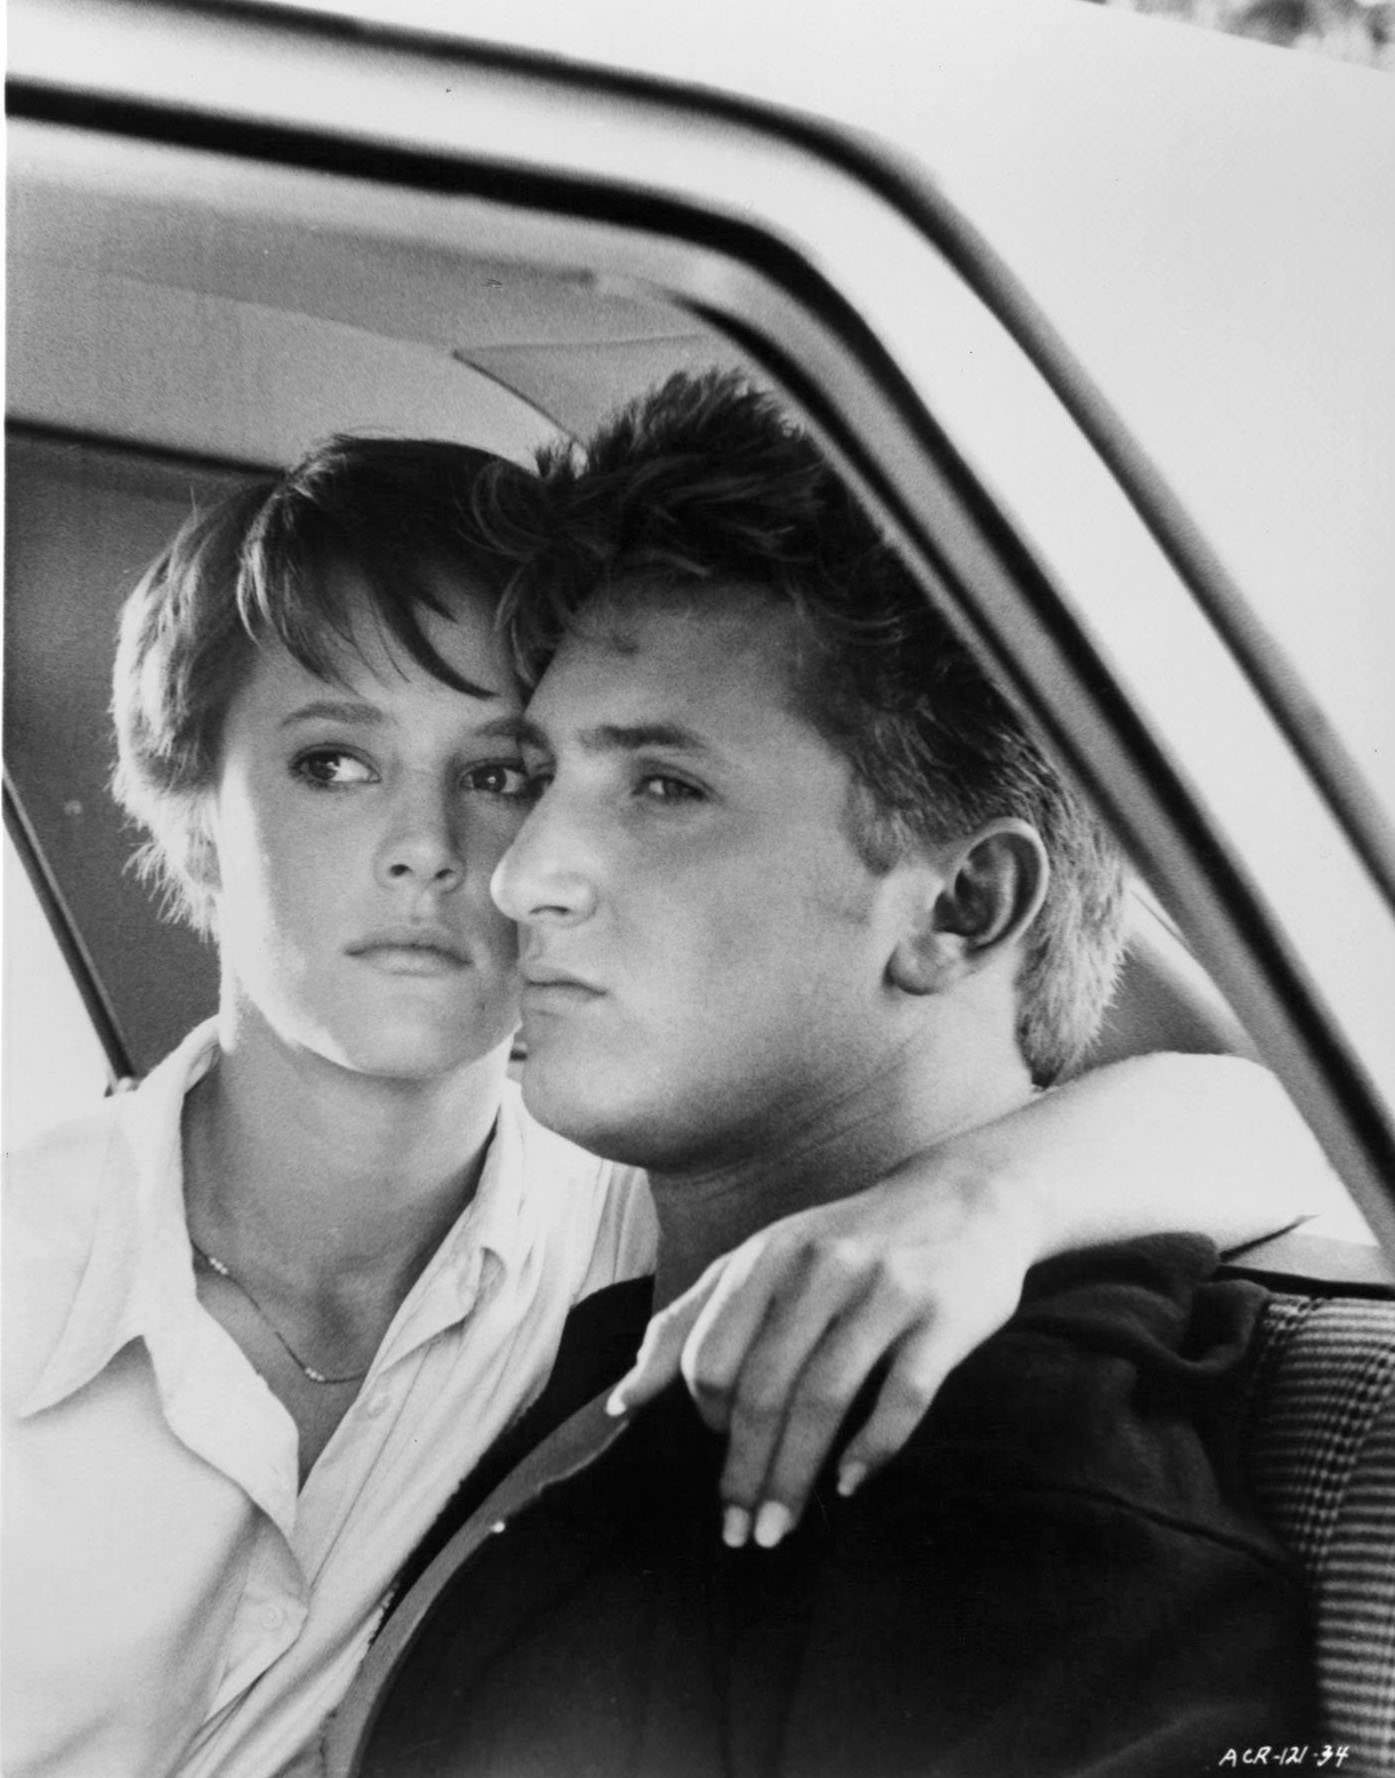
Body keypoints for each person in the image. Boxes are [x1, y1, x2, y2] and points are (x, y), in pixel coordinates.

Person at [2, 432, 1320, 1778]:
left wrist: (986, 1197)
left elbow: (1307, 1134)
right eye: (553, 777)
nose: (511, 876)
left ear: (964, 903)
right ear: (191, 814)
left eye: (660, 786)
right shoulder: (635, 1304)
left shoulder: (1013, 1491)